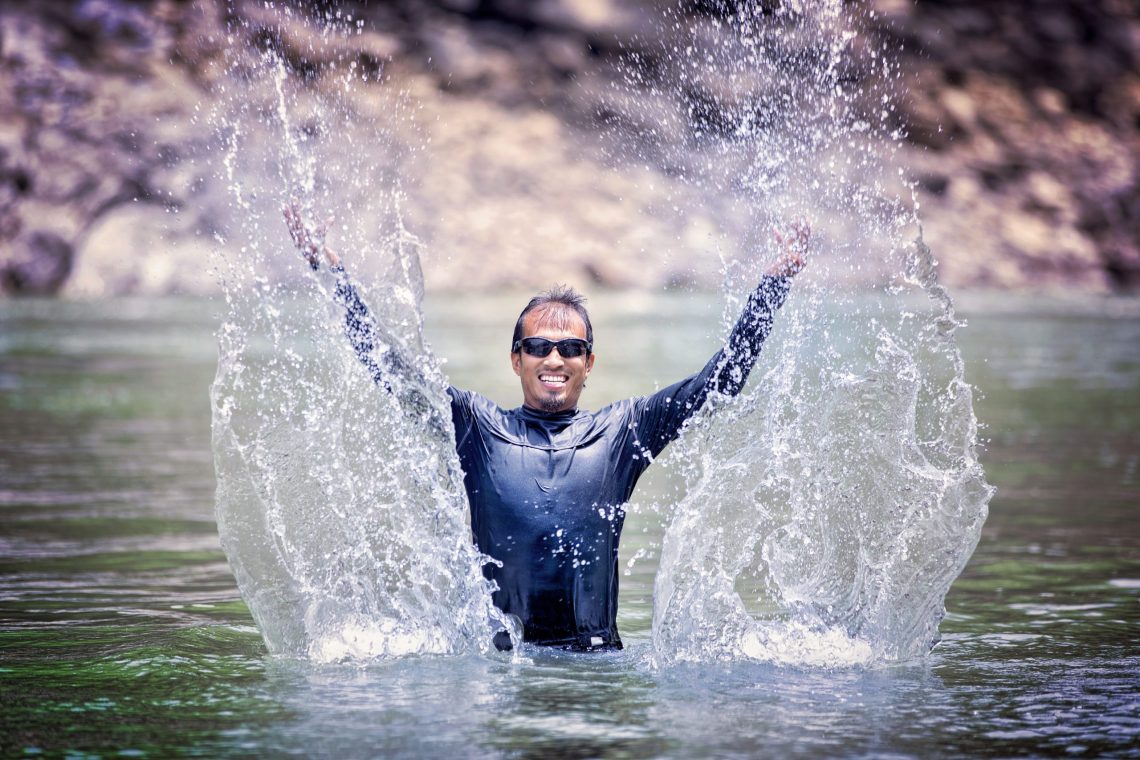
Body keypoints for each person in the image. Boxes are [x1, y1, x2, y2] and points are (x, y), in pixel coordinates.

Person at [284, 204, 807, 651]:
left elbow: (721, 380)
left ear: (589, 362)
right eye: (538, 347)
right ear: (517, 360)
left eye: (570, 348)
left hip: (595, 665)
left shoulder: (625, 431)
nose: (553, 358)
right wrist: (329, 272)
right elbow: (389, 369)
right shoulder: (475, 427)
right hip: (505, 666)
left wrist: (775, 285)